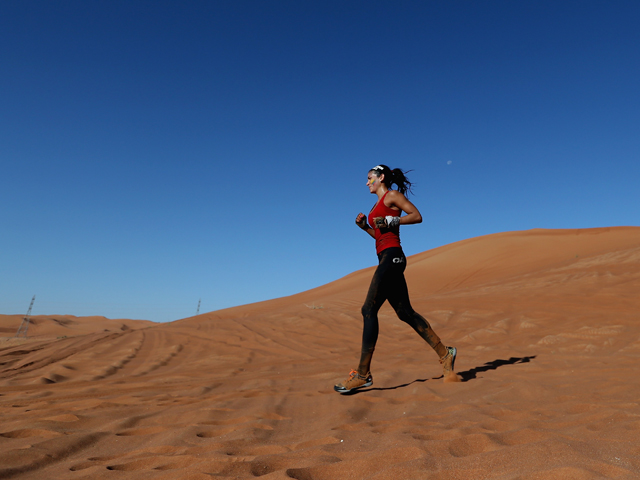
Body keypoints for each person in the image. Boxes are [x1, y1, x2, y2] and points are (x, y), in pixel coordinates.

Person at [334, 165, 457, 394]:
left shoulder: (392, 196)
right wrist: (365, 228)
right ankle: (445, 353)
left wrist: (390, 222)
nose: (367, 183)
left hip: (394, 257)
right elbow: (380, 235)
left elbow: (417, 216)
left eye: (369, 178)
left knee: (368, 310)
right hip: (385, 257)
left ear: (381, 178)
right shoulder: (375, 206)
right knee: (405, 313)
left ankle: (363, 374)